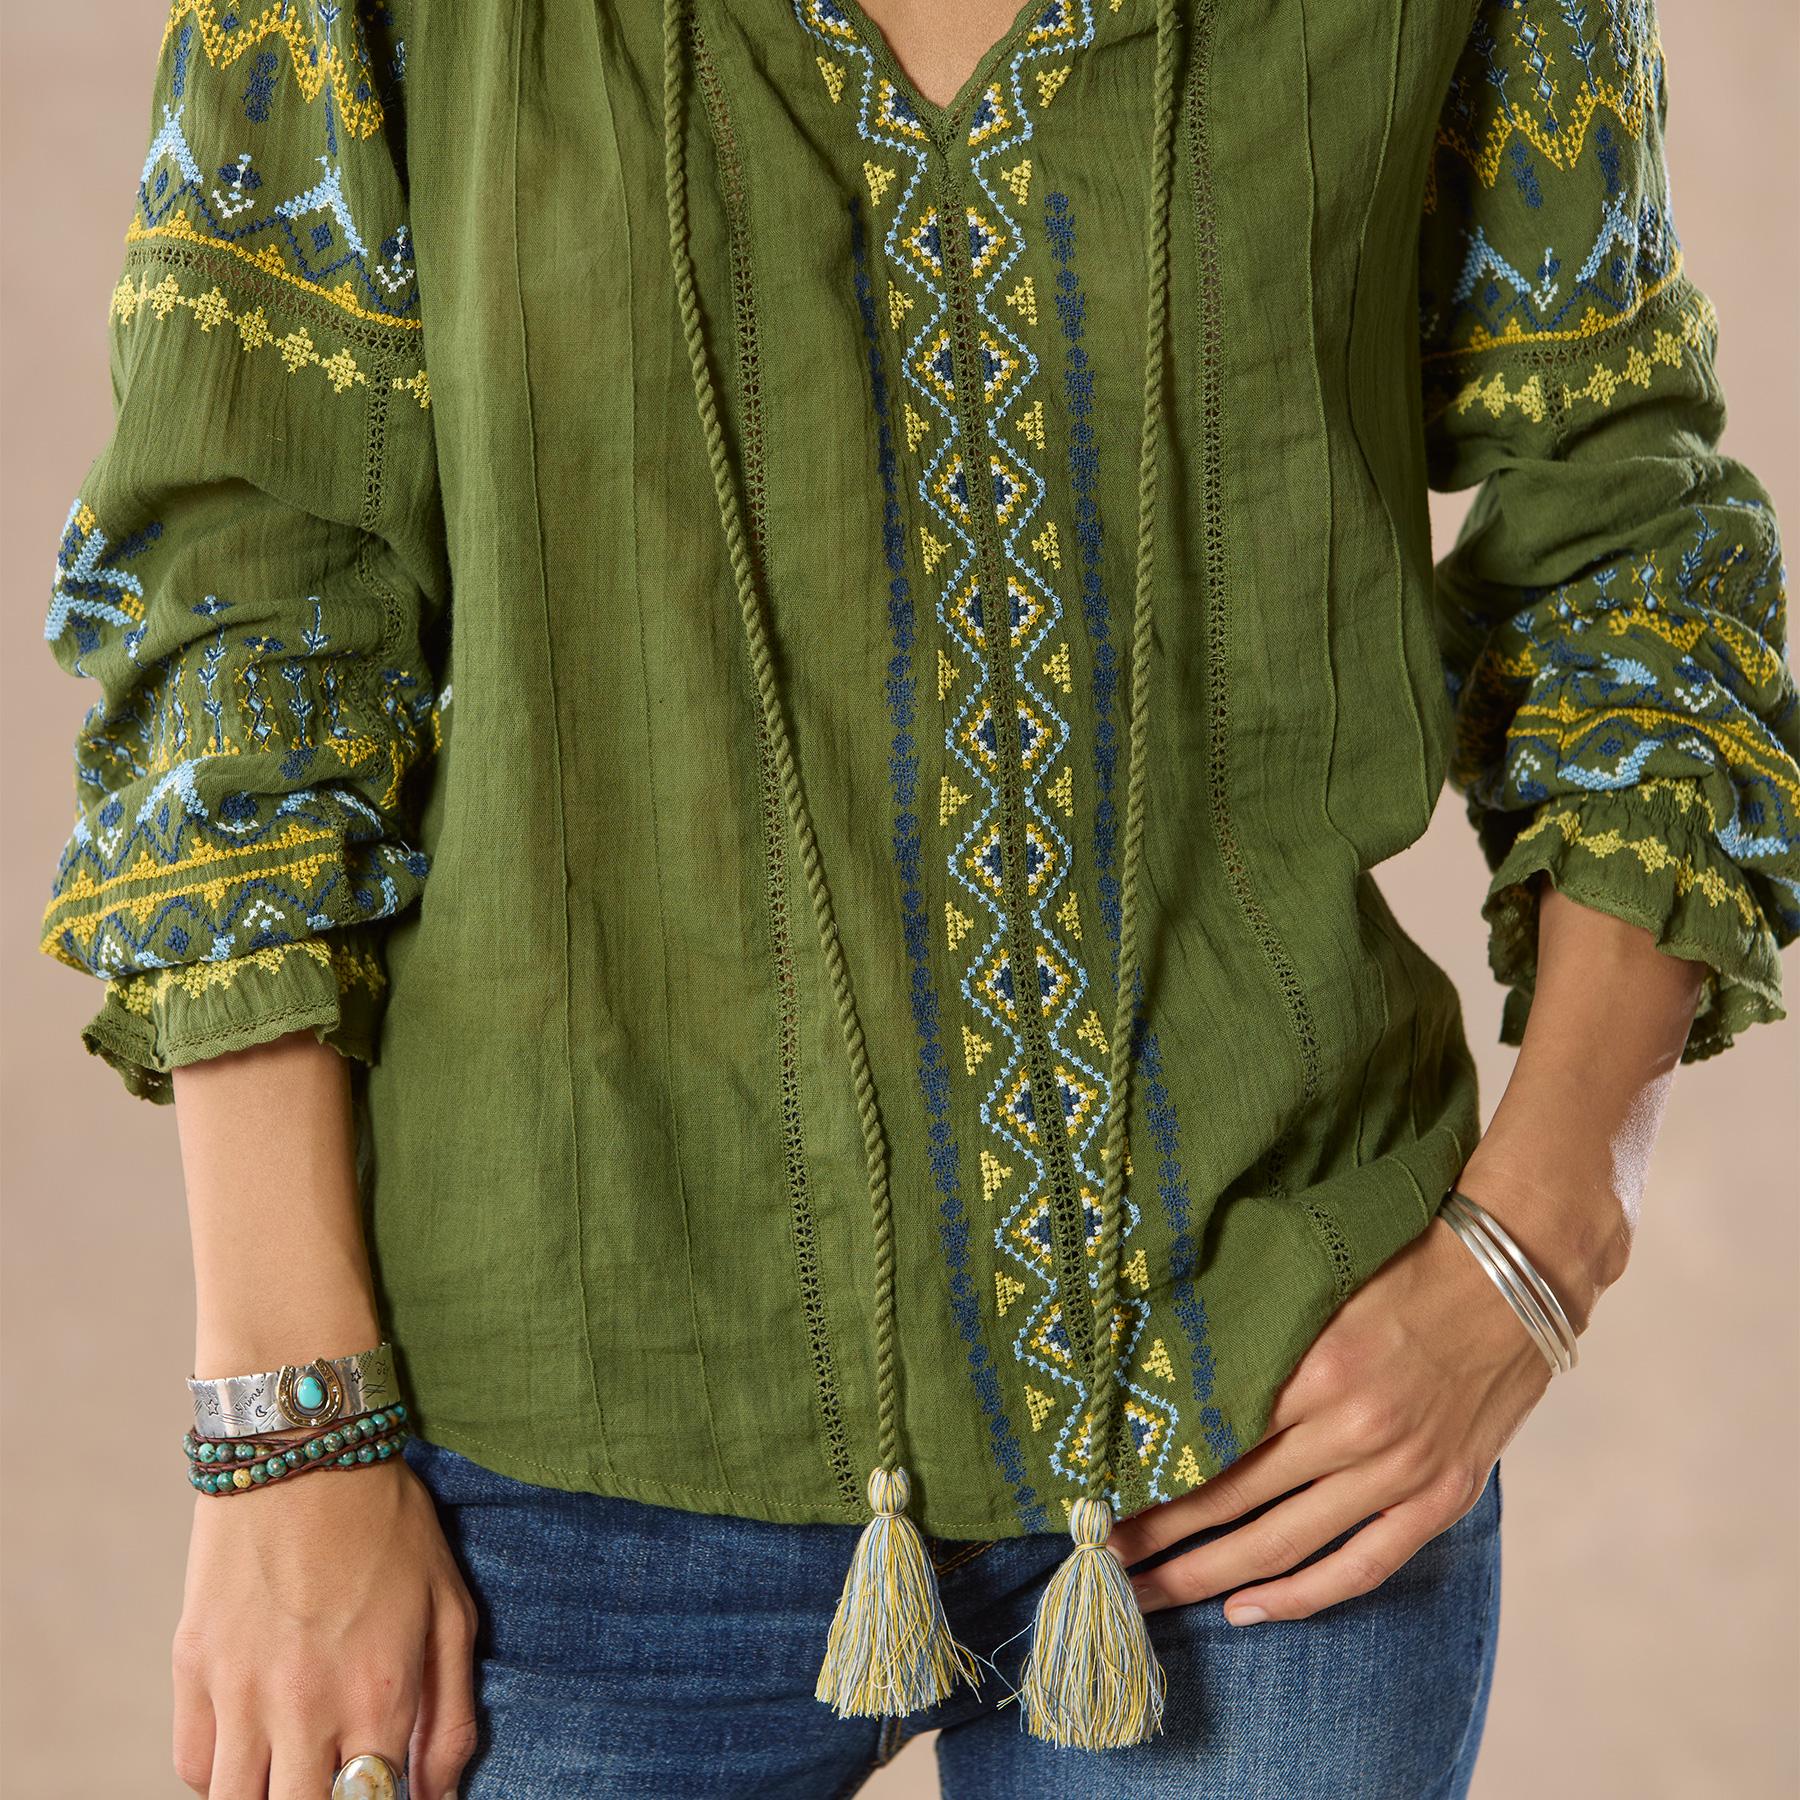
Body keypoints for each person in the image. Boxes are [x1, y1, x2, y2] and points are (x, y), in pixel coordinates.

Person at [37, 0, 1795, 1795]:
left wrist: (1547, 1235)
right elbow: (247, 609)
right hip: (556, 1474)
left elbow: (1629, 541)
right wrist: (288, 1433)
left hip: (1264, 1436)